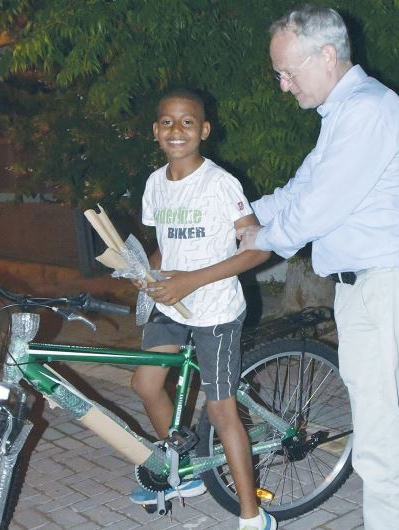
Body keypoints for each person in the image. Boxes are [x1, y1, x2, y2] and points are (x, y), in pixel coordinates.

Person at [236, 6, 399, 530]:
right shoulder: (345, 115)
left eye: (288, 72)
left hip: (385, 286)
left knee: (379, 440)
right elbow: (300, 190)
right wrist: (242, 216)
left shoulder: (369, 110)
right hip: (366, 289)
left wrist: (263, 239)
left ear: (326, 56)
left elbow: (319, 207)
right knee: (390, 425)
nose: (283, 86)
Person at [130, 88, 276, 530]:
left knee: (220, 410)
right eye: (168, 122)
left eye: (188, 122)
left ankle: (252, 515)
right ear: (156, 131)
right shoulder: (156, 183)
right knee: (145, 383)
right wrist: (145, 271)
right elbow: (165, 245)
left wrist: (190, 281)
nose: (177, 130)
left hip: (215, 311)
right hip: (171, 306)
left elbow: (258, 249)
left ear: (204, 130)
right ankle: (186, 473)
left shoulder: (219, 183)